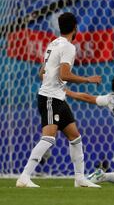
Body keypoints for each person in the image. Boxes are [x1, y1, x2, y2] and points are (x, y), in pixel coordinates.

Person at [16, 12, 102, 188]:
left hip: (57, 97)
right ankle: (24, 177)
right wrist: (88, 79)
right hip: (50, 98)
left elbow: (42, 72)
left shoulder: (53, 43)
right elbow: (64, 74)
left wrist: (52, 81)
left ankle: (80, 179)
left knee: (75, 137)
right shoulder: (69, 47)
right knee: (49, 138)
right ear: (75, 28)